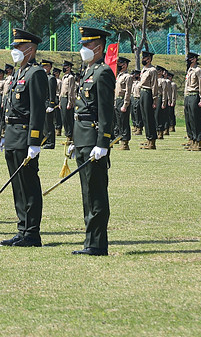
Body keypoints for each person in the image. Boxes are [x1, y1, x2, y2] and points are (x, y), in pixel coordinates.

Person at [0, 28, 48, 248]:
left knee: (28, 185)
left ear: (30, 49)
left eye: (18, 47)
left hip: (24, 137)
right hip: (12, 136)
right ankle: (22, 228)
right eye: (14, 47)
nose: (15, 50)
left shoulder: (35, 73)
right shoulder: (18, 74)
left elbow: (37, 110)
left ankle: (32, 233)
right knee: (17, 186)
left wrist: (34, 141)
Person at [69, 27, 115, 256]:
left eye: (88, 45)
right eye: (83, 44)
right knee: (87, 193)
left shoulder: (103, 72)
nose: (83, 49)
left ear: (99, 47)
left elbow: (106, 112)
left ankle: (97, 244)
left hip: (94, 140)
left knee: (96, 193)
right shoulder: (87, 72)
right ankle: (90, 241)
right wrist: (74, 140)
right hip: (83, 139)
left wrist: (103, 143)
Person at [184, 53, 201, 151]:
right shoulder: (189, 70)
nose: (188, 60)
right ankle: (193, 140)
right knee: (190, 119)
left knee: (196, 119)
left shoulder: (198, 71)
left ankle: (199, 142)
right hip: (188, 96)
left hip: (195, 95)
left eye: (189, 59)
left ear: (194, 59)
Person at [114, 57, 132, 150]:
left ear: (125, 65)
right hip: (117, 100)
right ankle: (120, 139)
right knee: (119, 122)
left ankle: (125, 142)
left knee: (124, 122)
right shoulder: (119, 76)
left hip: (123, 100)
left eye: (120, 63)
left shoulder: (127, 77)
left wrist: (125, 104)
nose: (118, 65)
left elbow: (128, 92)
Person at [41, 59, 58, 149]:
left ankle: (51, 142)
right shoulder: (43, 77)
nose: (44, 68)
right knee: (44, 124)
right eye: (43, 66)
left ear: (50, 67)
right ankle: (45, 140)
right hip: (43, 103)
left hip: (48, 103)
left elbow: (52, 92)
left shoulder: (51, 78)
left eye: (46, 66)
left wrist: (51, 104)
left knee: (49, 124)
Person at [59, 61, 77, 142]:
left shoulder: (71, 77)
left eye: (65, 66)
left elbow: (71, 90)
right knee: (64, 118)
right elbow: (61, 90)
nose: (64, 68)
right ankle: (67, 134)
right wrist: (60, 102)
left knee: (68, 118)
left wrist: (70, 102)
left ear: (69, 67)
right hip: (62, 99)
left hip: (67, 99)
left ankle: (71, 136)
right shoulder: (64, 77)